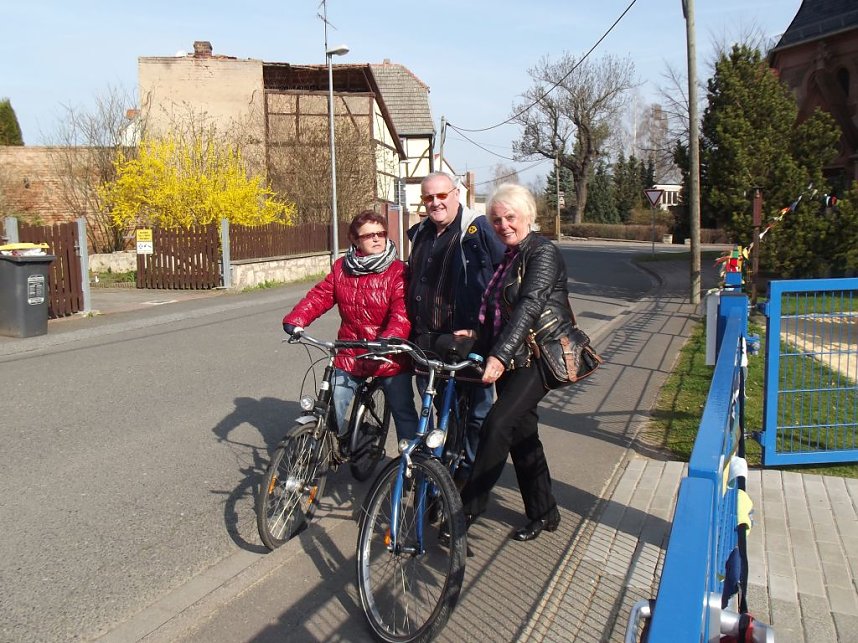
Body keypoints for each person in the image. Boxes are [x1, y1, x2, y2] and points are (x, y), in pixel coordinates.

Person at [459, 183, 567, 542]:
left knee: (497, 424)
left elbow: (529, 306)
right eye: (496, 219)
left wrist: (498, 355)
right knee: (523, 436)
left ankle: (466, 509)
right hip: (515, 357)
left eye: (510, 217)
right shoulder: (510, 256)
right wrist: (472, 339)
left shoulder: (542, 252)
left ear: (528, 217)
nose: (503, 224)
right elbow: (494, 312)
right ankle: (544, 512)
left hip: (539, 355)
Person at [282, 210, 418, 442]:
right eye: (369, 235)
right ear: (355, 240)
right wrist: (296, 320)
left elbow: (402, 313)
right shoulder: (341, 268)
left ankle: (414, 465)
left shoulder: (398, 271)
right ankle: (320, 454)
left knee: (403, 412)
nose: (376, 239)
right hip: (350, 353)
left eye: (381, 233)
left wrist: (390, 338)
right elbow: (320, 296)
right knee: (331, 405)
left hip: (388, 356)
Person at [407, 171, 506, 474]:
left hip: (467, 339)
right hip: (427, 339)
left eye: (441, 195)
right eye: (429, 197)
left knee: (477, 410)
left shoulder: (477, 228)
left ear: (456, 194)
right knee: (440, 409)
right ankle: (442, 475)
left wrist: (484, 325)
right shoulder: (420, 232)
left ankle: (471, 473)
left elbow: (505, 275)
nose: (435, 203)